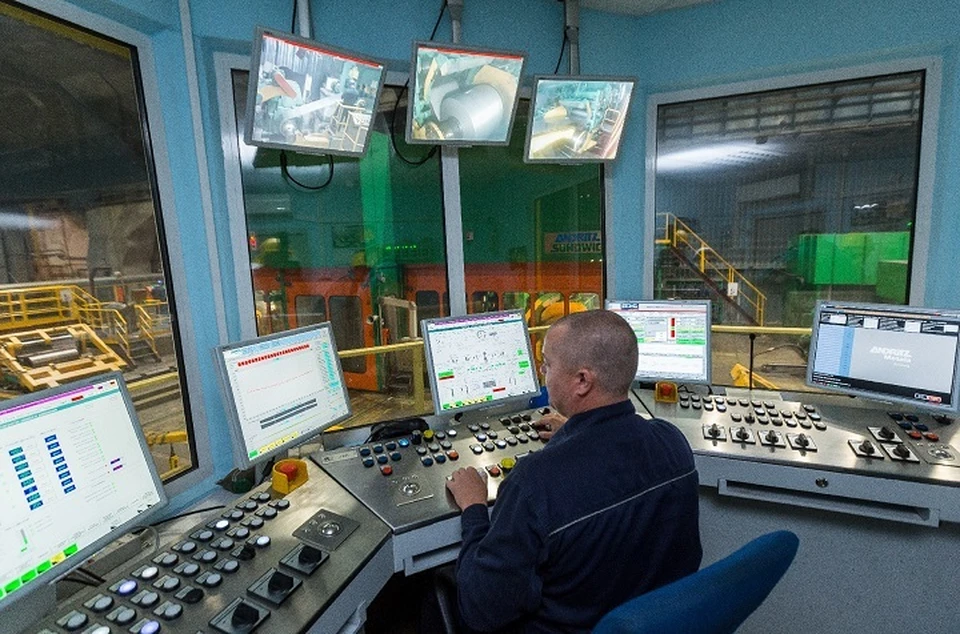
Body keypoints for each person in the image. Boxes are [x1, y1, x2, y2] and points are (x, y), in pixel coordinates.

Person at [445, 310, 702, 634]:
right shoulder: (672, 442)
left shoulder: (534, 482)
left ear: (582, 381)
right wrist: (572, 432)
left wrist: (473, 509)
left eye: (547, 364)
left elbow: (481, 610)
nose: (543, 373)